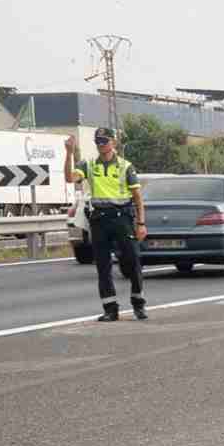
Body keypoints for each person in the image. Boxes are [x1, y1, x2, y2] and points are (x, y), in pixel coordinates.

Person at [64, 128, 149, 321]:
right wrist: (69, 153)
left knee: (133, 261)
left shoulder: (125, 166)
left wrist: (141, 223)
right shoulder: (88, 164)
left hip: (122, 218)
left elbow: (137, 197)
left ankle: (138, 304)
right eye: (98, 141)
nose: (101, 144)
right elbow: (69, 178)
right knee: (103, 266)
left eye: (104, 140)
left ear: (113, 142)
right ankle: (110, 309)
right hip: (99, 220)